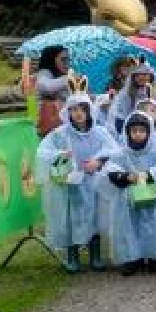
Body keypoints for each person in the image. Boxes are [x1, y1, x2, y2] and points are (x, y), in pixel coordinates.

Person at [36, 88, 117, 272]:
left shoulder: (100, 132)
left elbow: (114, 151)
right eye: (74, 110)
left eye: (82, 109)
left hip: (93, 184)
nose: (78, 114)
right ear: (68, 112)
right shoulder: (60, 134)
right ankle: (72, 256)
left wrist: (99, 161)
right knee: (70, 219)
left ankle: (95, 255)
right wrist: (60, 155)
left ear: (89, 111)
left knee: (94, 217)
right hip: (70, 185)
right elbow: (43, 151)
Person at [102, 112, 156, 276]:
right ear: (128, 133)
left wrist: (149, 174)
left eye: (141, 131)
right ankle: (132, 257)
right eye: (134, 131)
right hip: (128, 201)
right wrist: (125, 176)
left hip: (152, 198)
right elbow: (110, 169)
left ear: (149, 132)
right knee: (129, 227)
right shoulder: (122, 153)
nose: (138, 134)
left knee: (154, 227)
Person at [31, 46, 73, 136]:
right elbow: (46, 87)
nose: (67, 63)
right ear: (52, 59)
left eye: (68, 60)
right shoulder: (44, 73)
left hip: (64, 124)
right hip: (49, 127)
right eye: (63, 60)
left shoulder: (62, 75)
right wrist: (68, 78)